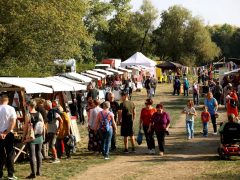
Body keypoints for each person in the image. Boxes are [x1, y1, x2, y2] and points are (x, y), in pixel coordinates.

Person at [22, 99, 44, 179]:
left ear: (29, 106)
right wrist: (43, 136)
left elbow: (25, 128)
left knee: (32, 155)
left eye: (27, 105)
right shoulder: (39, 114)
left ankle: (33, 173)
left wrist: (23, 137)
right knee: (38, 154)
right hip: (39, 136)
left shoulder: (28, 115)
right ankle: (39, 171)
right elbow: (43, 125)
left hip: (31, 137)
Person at [0, 95, 18, 180]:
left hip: (0, 133)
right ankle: (10, 174)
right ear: (7, 100)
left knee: (0, 154)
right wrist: (6, 132)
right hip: (8, 133)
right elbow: (13, 122)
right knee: (10, 154)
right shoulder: (11, 109)